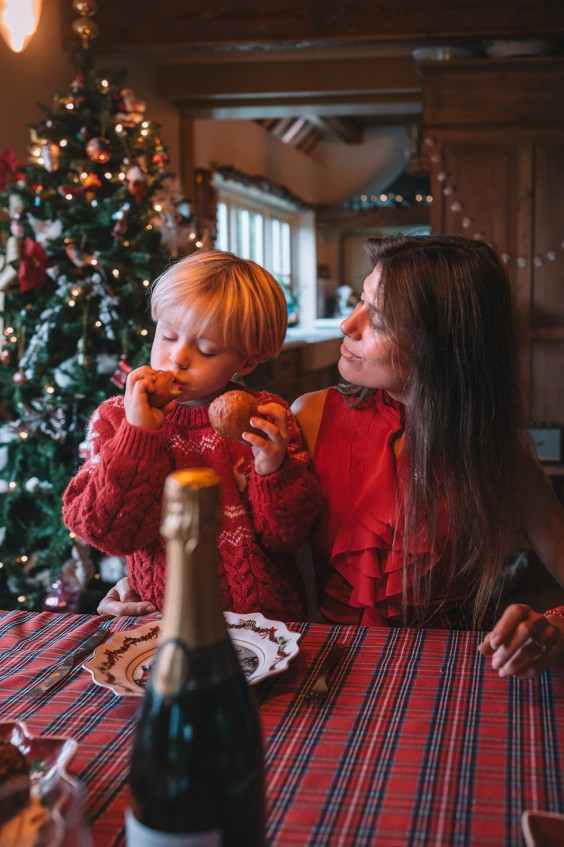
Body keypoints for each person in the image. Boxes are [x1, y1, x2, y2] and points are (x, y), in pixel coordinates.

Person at [291, 234, 564, 679]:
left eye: (378, 321)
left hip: (460, 668)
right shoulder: (310, 417)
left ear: (442, 346)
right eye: (360, 300)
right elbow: (247, 547)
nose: (347, 325)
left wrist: (556, 626)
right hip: (334, 670)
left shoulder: (494, 449)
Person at [63, 250, 321, 621]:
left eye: (205, 350)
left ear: (247, 361)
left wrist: (275, 470)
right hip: (159, 622)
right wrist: (138, 436)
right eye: (168, 335)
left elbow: (287, 538)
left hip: (262, 625)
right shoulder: (117, 418)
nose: (178, 357)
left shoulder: (265, 420)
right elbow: (109, 532)